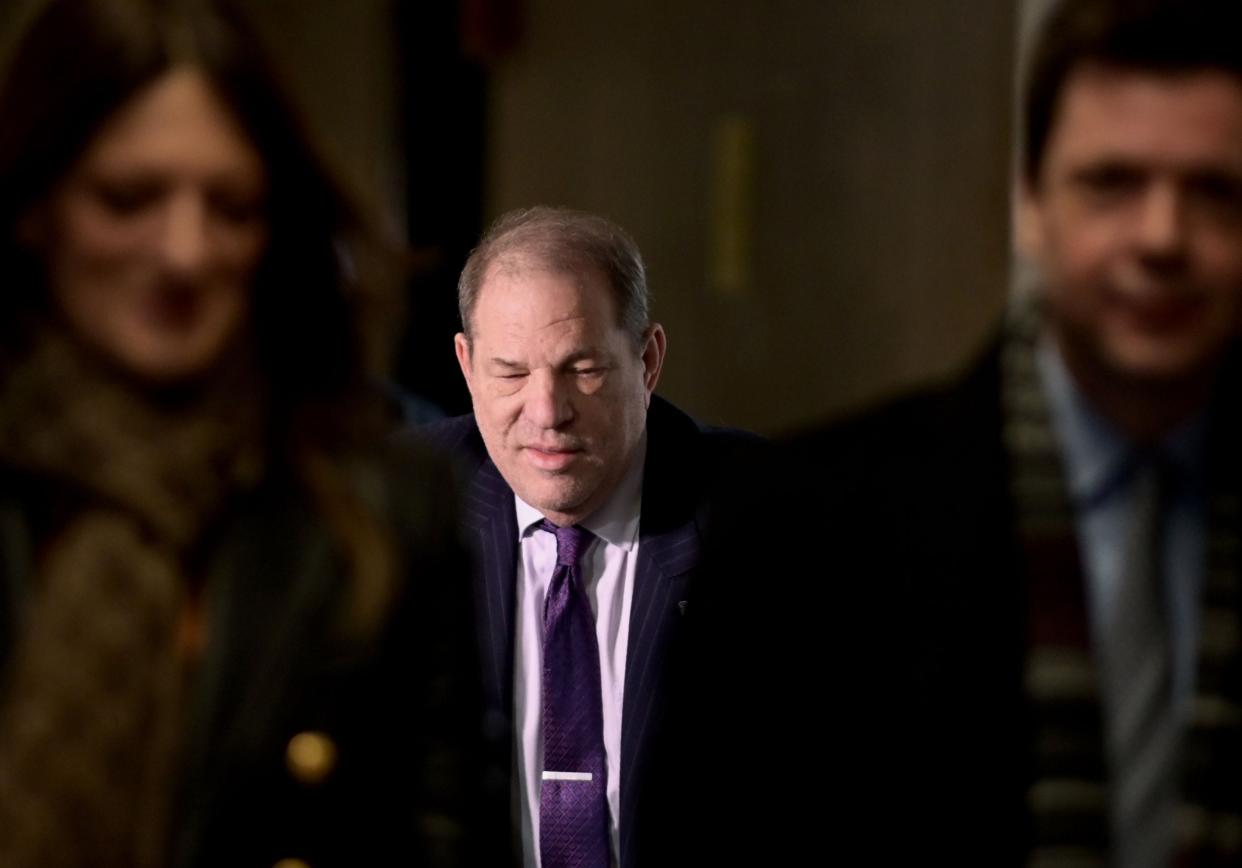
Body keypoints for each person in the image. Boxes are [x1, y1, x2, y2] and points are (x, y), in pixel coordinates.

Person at [748, 0, 1242, 863]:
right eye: (1112, 184)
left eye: (1215, 192)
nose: (1163, 237)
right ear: (1030, 202)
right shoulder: (810, 525)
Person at [0, 1, 487, 866]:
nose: (185, 253)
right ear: (36, 207)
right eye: (128, 199)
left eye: (230, 207)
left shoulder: (384, 511)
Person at [414, 206, 760, 868]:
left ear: (648, 360)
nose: (547, 411)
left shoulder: (760, 518)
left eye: (583, 368)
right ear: (466, 364)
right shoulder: (405, 514)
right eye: (511, 373)